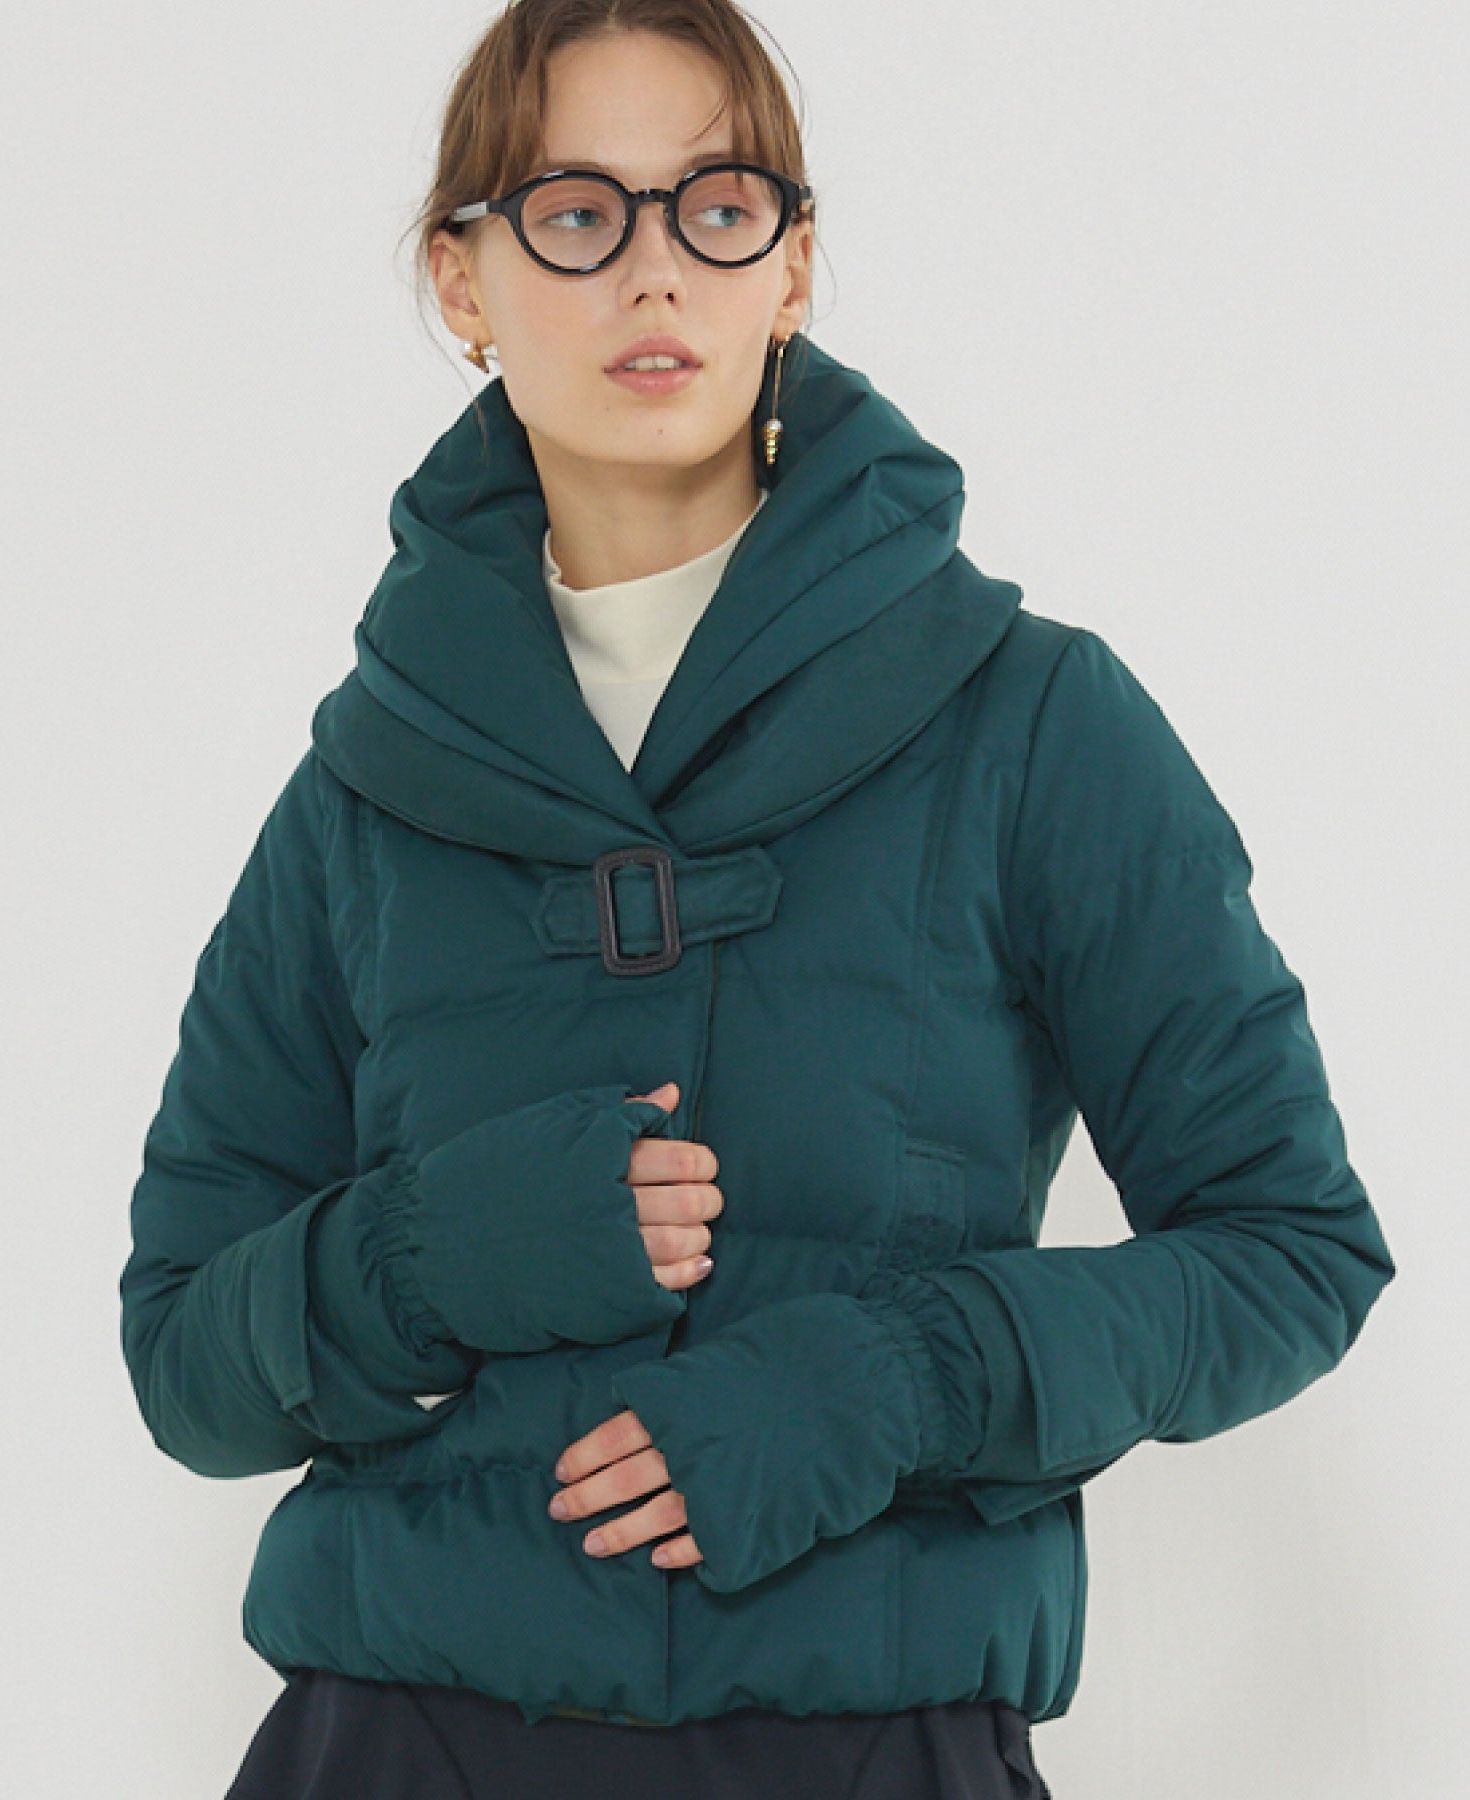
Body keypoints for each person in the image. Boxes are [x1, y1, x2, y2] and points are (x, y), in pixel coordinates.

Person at [117, 3, 1397, 1796]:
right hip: (396, 1744)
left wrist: (901, 1381)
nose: (657, 272)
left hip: (871, 1746)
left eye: (716, 207)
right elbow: (183, 1357)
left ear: (791, 267)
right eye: (577, 213)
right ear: (463, 281)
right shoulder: (361, 791)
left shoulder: (1031, 721)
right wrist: (427, 1254)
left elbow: (1292, 1248)